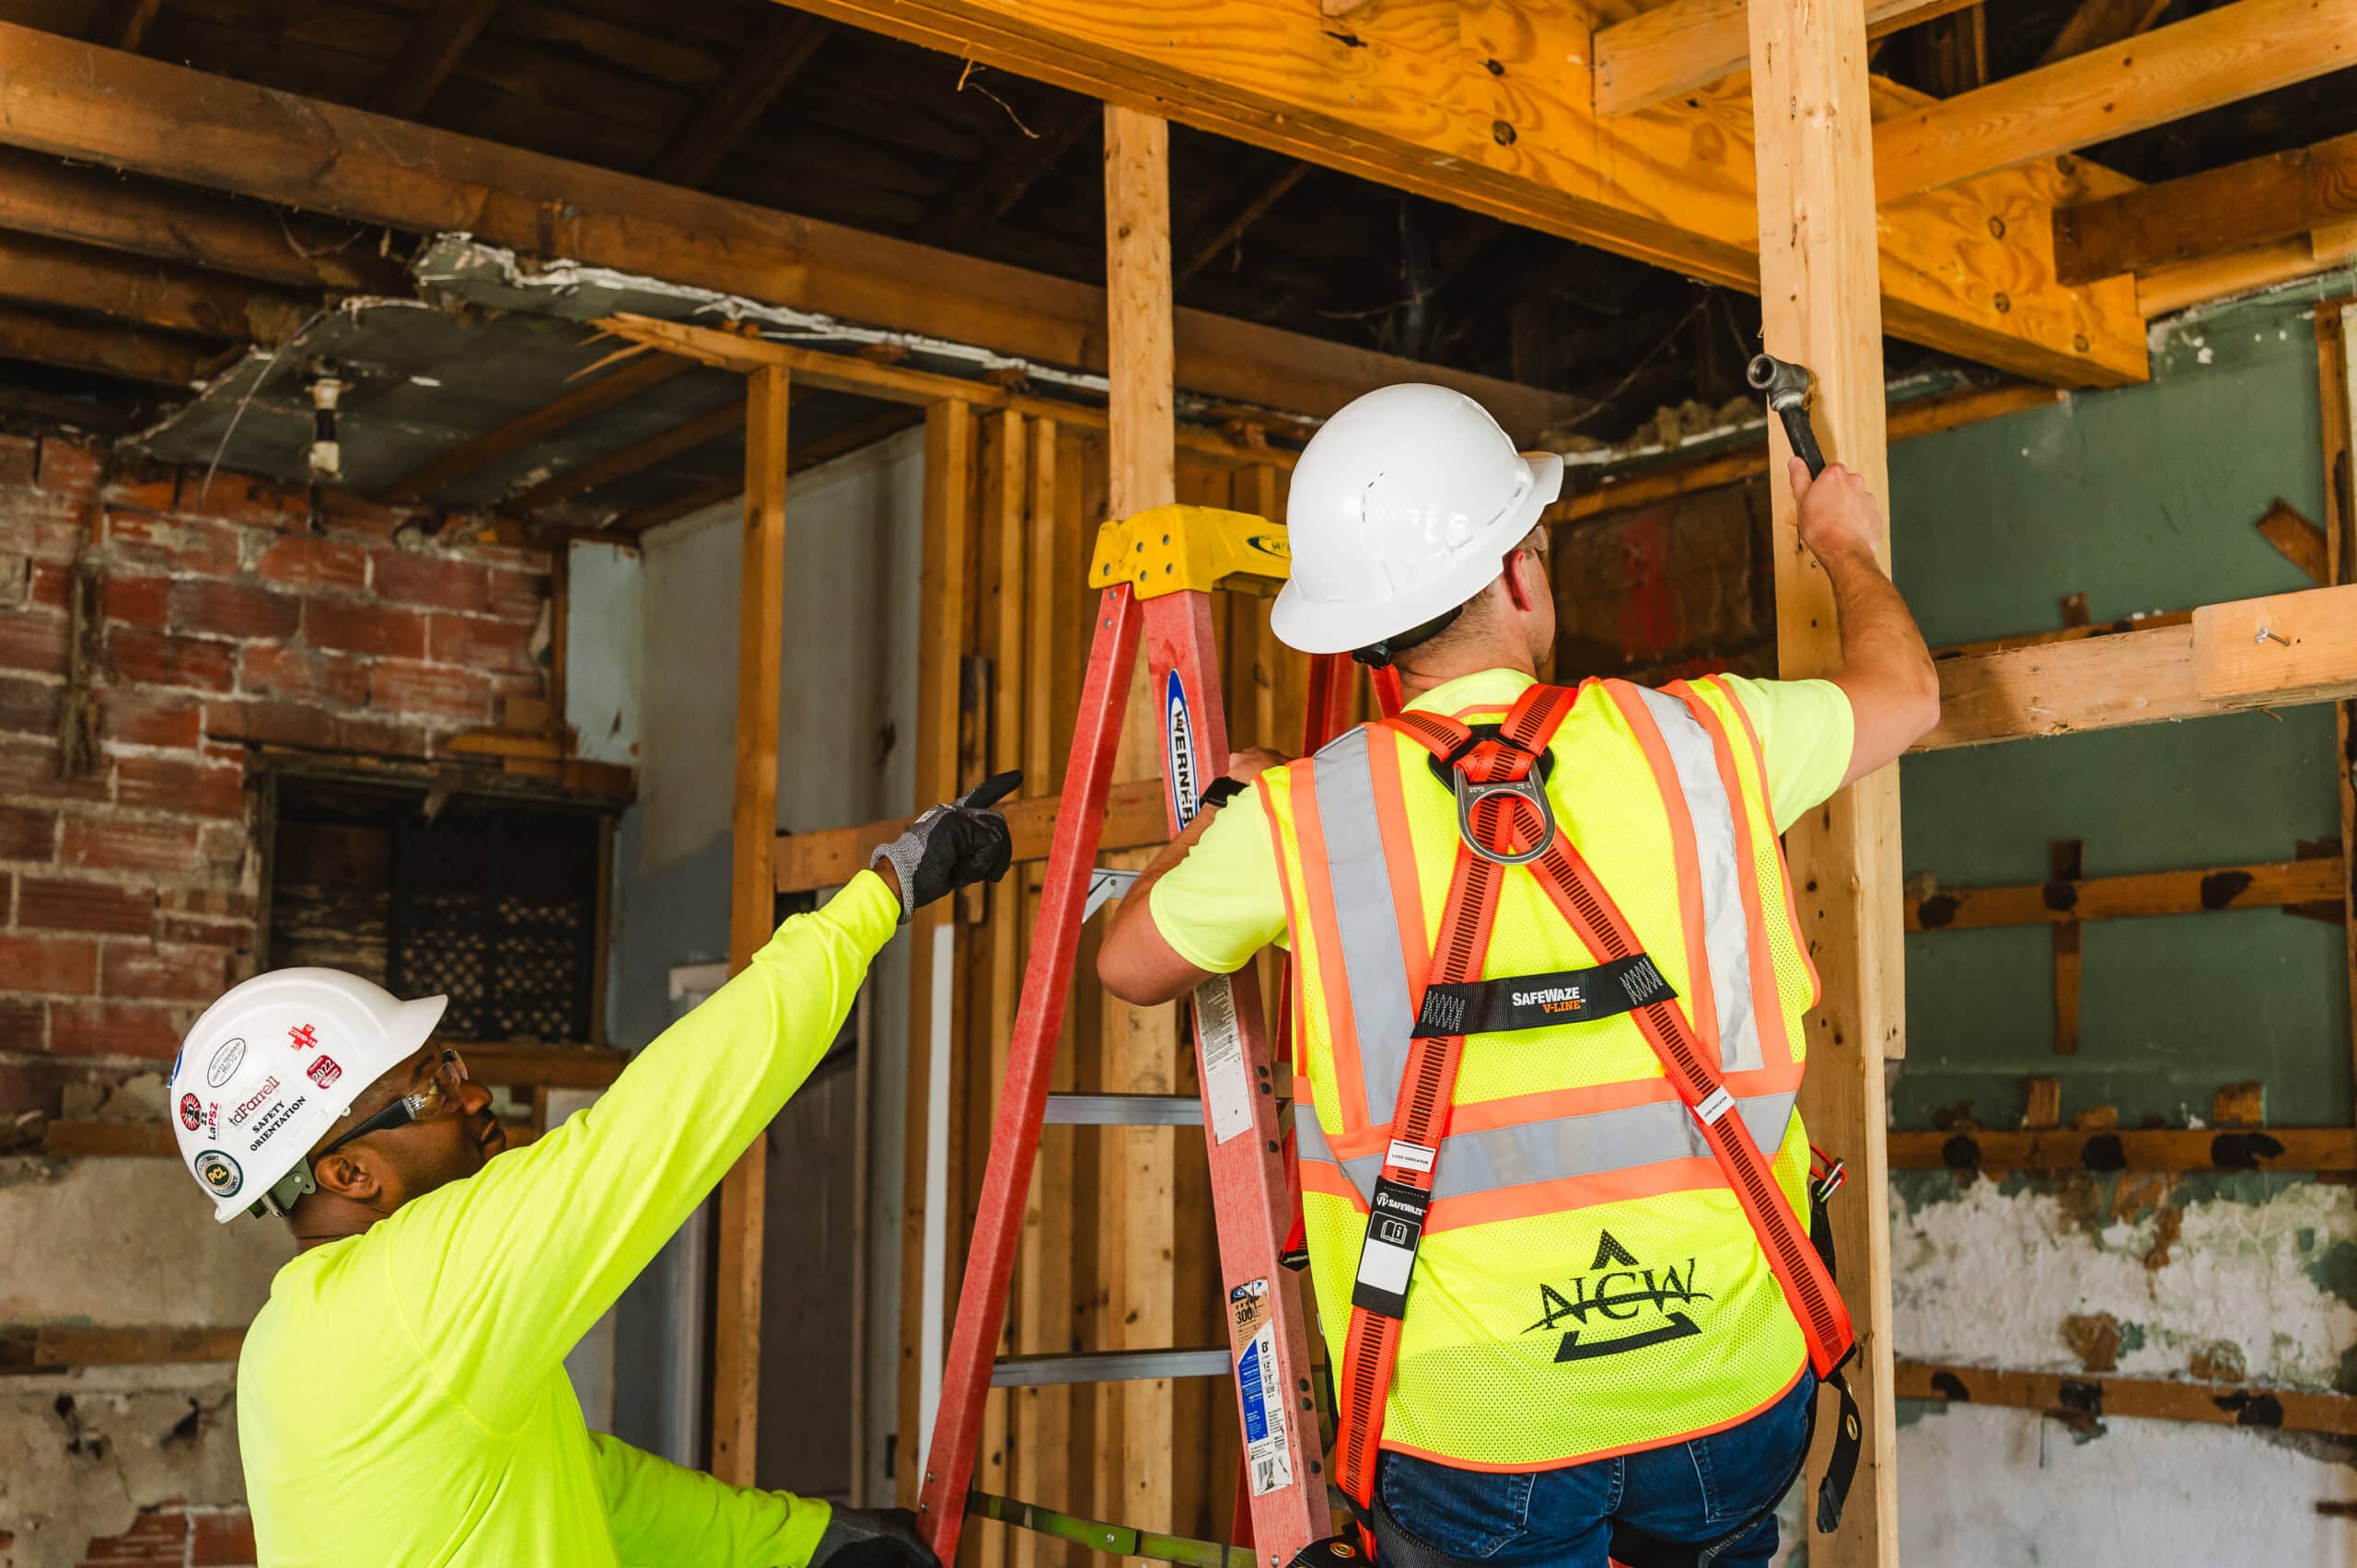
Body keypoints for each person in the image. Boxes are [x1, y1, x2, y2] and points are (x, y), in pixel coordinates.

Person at [1097, 384, 1939, 1568]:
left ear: (1362, 633)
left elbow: (1127, 962)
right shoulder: (1700, 741)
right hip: (1731, 1376)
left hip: (1469, 1422)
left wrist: (1235, 816)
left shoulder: (1301, 820)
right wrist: (1843, 542)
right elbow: (1907, 692)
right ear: (1520, 574)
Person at [168, 776, 1021, 1568]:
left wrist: (804, 1541)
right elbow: (657, 1123)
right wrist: (875, 899)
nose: (475, 1095)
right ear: (349, 1170)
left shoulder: (288, 1346)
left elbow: (579, 1480)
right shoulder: (412, 1292)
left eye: (451, 1065)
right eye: (433, 1087)